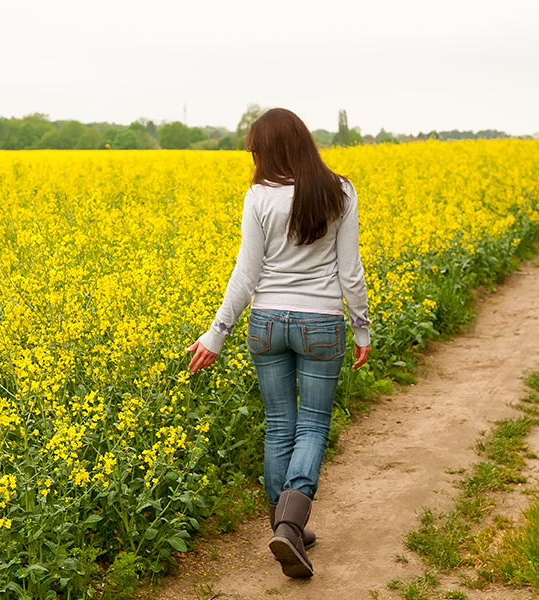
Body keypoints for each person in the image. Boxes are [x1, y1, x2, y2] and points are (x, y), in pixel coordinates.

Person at [186, 108, 371, 578]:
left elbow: (246, 272)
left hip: (266, 322)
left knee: (279, 425)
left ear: (269, 151)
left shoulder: (258, 197)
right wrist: (361, 328)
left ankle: (284, 525)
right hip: (320, 323)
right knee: (312, 425)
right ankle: (290, 525)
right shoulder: (340, 191)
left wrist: (217, 332)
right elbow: (350, 270)